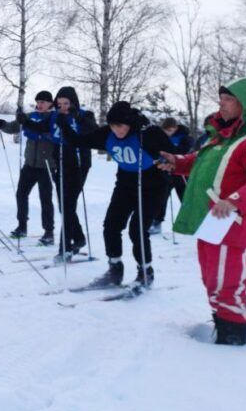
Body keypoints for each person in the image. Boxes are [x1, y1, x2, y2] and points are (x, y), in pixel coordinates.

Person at [159, 78, 246, 346]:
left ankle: (233, 338)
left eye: (228, 99)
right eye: (221, 98)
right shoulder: (223, 134)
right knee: (212, 277)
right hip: (213, 219)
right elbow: (202, 161)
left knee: (228, 282)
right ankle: (222, 321)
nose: (222, 104)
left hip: (234, 220)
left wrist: (235, 200)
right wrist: (179, 163)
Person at [58, 101, 175, 289]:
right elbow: (79, 141)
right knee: (111, 225)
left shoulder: (148, 133)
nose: (116, 130)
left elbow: (175, 154)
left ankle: (145, 272)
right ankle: (115, 270)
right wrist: (63, 122)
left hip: (153, 184)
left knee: (137, 229)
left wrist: (165, 160)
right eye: (112, 126)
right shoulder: (107, 133)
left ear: (129, 123)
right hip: (125, 183)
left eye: (120, 126)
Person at [18, 87, 97, 261]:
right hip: (59, 163)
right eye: (59, 104)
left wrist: (78, 118)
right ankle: (78, 238)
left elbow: (94, 131)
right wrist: (24, 120)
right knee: (64, 205)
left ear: (73, 103)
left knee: (68, 205)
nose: (62, 107)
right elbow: (39, 127)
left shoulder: (84, 115)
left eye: (66, 104)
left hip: (78, 164)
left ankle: (66, 248)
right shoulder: (54, 116)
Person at [0, 90, 57, 246]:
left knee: (45, 199)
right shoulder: (30, 116)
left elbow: (49, 132)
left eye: (43, 102)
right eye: (38, 101)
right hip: (30, 164)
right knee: (21, 194)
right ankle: (22, 226)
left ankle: (49, 232)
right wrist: (2, 125)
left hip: (47, 166)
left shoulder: (54, 118)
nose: (39, 104)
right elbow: (14, 127)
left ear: (50, 103)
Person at [149, 117, 193, 234]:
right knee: (161, 198)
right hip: (166, 173)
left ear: (175, 128)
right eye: (165, 130)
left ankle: (190, 221)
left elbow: (184, 151)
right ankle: (157, 223)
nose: (167, 133)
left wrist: (172, 152)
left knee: (185, 197)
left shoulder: (185, 137)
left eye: (170, 130)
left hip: (181, 173)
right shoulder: (160, 138)